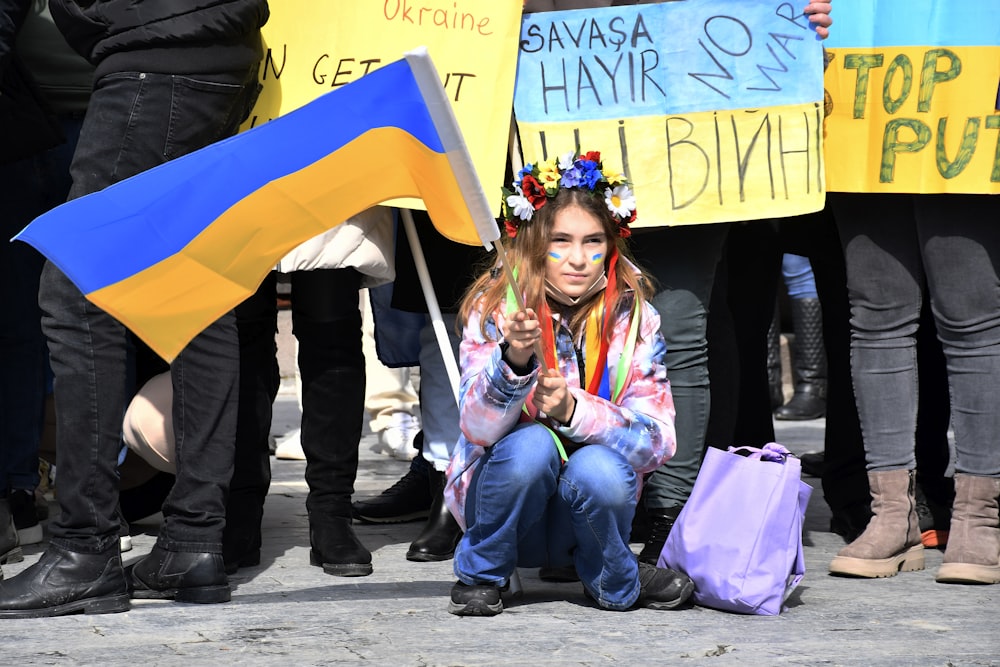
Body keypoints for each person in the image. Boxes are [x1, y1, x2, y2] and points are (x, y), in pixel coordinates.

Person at [528, 0, 834, 565]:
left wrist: (790, 14)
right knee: (573, 309)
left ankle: (671, 512)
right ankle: (580, 504)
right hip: (572, 78)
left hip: (695, 102)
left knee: (680, 324)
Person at [0, 0, 269, 618]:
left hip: (158, 51)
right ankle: (193, 542)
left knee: (75, 288)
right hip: (198, 41)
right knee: (192, 284)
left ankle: (83, 549)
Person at [444, 151, 692, 616]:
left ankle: (609, 578)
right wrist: (514, 361)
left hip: (588, 516)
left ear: (612, 244)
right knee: (531, 445)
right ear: (537, 243)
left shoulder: (635, 316)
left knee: (598, 466)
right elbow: (475, 427)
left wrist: (576, 412)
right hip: (506, 508)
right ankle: (484, 573)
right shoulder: (495, 306)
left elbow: (658, 442)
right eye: (561, 240)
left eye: (593, 241)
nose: (578, 259)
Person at [827, 192, 1000, 584]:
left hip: (960, 133)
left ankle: (979, 517)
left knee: (970, 313)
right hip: (866, 137)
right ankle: (891, 516)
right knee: (876, 313)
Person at [227, 207, 394, 577]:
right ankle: (239, 510)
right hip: (240, 156)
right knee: (241, 332)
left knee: (332, 321)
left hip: (330, 161)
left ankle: (332, 512)